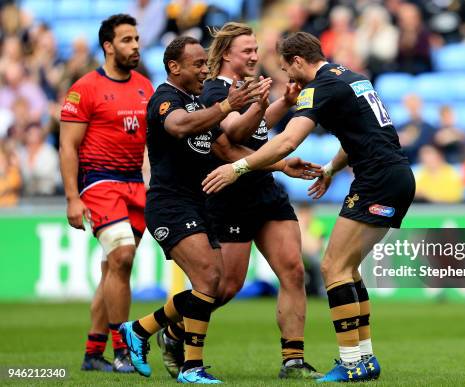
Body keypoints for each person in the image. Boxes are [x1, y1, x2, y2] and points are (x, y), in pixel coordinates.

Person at [203, 31, 416, 382]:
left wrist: (238, 167)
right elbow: (362, 134)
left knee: (332, 266)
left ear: (299, 61)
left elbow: (287, 141)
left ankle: (351, 363)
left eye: (288, 69)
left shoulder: (320, 87)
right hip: (395, 175)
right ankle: (364, 357)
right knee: (348, 269)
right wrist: (332, 167)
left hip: (377, 180)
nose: (289, 77)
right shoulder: (351, 76)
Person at [119, 36, 320, 384]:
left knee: (214, 283)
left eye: (203, 63)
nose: (203, 69)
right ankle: (162, 344)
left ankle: (158, 342)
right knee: (214, 282)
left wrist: (279, 161)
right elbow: (180, 126)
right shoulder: (167, 99)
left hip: (199, 201)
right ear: (174, 67)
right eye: (197, 64)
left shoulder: (199, 101)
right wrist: (230, 106)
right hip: (173, 203)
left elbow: (229, 148)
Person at [59, 14, 154, 373]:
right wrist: (72, 197)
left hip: (133, 183)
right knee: (124, 256)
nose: (135, 46)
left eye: (137, 39)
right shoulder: (85, 88)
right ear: (108, 46)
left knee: (114, 269)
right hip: (99, 182)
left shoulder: (145, 85)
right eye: (127, 40)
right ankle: (123, 351)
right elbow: (68, 147)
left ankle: (92, 353)